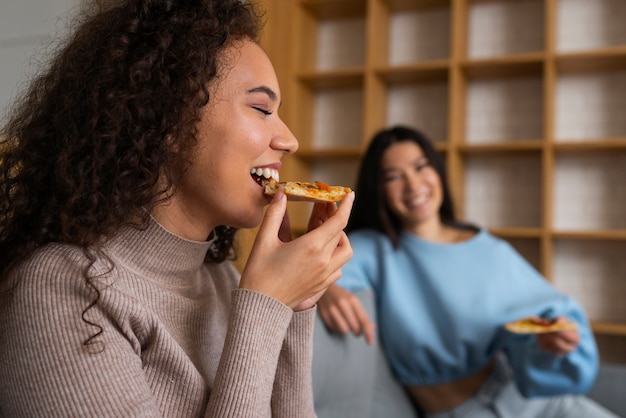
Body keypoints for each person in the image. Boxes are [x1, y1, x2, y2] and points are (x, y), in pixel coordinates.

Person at [0, 0, 354, 416]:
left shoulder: (222, 280)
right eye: (261, 109)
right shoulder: (60, 289)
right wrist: (266, 306)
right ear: (170, 119)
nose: (290, 140)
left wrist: (296, 307)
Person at [317, 125, 618, 417]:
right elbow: (316, 269)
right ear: (379, 189)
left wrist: (553, 340)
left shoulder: (487, 247)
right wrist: (327, 289)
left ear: (438, 171)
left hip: (533, 400)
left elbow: (542, 319)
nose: (413, 185)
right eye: (394, 176)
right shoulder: (374, 248)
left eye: (421, 167)